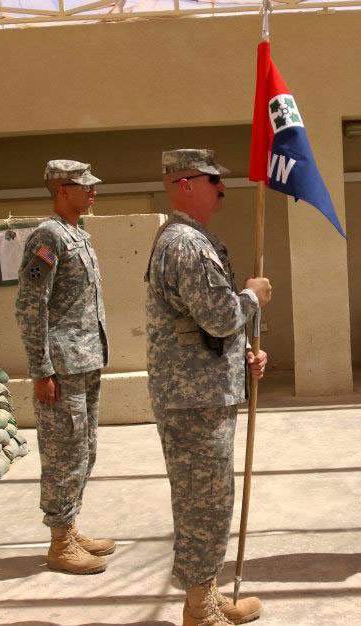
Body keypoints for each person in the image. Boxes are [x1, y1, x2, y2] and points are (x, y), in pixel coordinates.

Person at [145, 148, 272, 626]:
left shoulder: (194, 240)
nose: (222, 188)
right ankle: (199, 608)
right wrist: (252, 296)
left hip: (202, 392)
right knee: (204, 502)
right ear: (184, 184)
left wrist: (242, 356)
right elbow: (219, 316)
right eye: (212, 180)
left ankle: (207, 593)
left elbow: (204, 327)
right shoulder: (186, 244)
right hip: (193, 399)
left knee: (210, 498)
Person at [14, 159, 112, 575]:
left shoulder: (78, 235)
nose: (93, 191)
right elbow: (30, 305)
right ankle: (59, 542)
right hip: (62, 365)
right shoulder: (48, 236)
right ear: (61, 191)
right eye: (85, 186)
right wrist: (41, 369)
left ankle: (69, 527)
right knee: (63, 454)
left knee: (84, 450)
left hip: (86, 359)